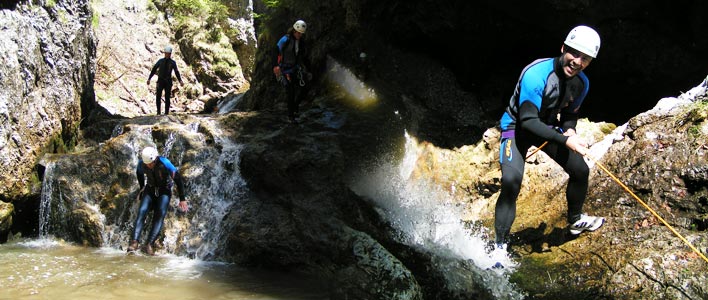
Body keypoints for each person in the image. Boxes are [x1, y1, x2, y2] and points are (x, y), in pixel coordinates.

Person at [492, 25, 605, 256]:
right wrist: (564, 142)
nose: (578, 61)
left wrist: (570, 131)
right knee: (511, 182)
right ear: (563, 48)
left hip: (547, 127)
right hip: (517, 128)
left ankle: (575, 220)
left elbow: (570, 115)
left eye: (585, 58)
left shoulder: (581, 83)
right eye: (574, 53)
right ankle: (499, 245)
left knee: (580, 170)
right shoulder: (537, 73)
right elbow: (528, 121)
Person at [127, 146, 188, 255]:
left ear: (155, 159)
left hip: (164, 189)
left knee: (160, 214)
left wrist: (182, 199)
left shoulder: (165, 163)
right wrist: (142, 188)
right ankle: (134, 242)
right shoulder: (142, 164)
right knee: (142, 211)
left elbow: (178, 179)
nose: (149, 166)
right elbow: (139, 174)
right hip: (150, 188)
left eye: (151, 163)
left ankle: (149, 244)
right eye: (147, 164)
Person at [273, 20, 311, 124]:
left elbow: (303, 56)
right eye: (298, 33)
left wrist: (309, 69)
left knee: (305, 87)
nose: (299, 35)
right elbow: (275, 50)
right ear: (294, 31)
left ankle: (295, 107)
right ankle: (291, 116)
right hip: (284, 70)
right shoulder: (285, 39)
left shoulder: (301, 42)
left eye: (301, 33)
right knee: (290, 92)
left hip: (295, 68)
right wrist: (275, 66)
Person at [147, 45, 184, 115]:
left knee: (167, 97)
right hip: (160, 81)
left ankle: (166, 113)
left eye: (168, 53)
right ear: (164, 53)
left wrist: (180, 80)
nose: (167, 55)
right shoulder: (160, 61)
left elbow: (176, 72)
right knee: (158, 96)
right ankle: (158, 112)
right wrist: (149, 78)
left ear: (170, 54)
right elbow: (154, 69)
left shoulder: (173, 62)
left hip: (168, 82)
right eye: (166, 53)